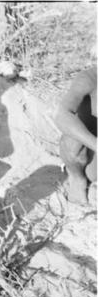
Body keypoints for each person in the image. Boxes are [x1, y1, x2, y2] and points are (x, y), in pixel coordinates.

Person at [53, 66, 97, 205]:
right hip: (90, 152)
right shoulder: (90, 77)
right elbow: (62, 115)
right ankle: (77, 178)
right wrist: (96, 144)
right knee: (72, 139)